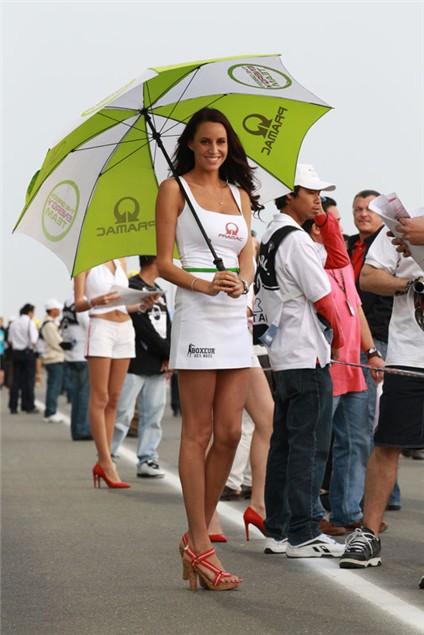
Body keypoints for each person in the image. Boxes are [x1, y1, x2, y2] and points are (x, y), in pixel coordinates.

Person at [156, 107, 258, 591]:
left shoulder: (240, 194)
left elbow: (247, 253)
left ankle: (195, 535)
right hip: (197, 312)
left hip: (233, 316)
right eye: (205, 143)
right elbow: (161, 264)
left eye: (221, 142)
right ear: (191, 145)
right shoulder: (174, 188)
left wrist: (240, 281)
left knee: (233, 432)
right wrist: (204, 284)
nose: (214, 151)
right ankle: (201, 543)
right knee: (197, 433)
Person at [261, 164, 347, 558]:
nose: (317, 199)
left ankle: (277, 529)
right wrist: (344, 336)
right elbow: (325, 294)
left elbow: (335, 258)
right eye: (310, 192)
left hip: (283, 355)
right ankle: (303, 531)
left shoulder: (271, 233)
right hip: (306, 354)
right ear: (288, 195)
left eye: (320, 193)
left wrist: (324, 218)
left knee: (284, 445)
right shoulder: (295, 239)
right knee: (310, 448)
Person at [339, 225, 424, 568]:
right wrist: (410, 285)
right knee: (387, 443)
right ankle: (369, 534)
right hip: (407, 356)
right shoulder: (403, 226)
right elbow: (369, 278)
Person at [303, 197, 385, 537]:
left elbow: (357, 308)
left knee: (355, 442)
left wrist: (371, 351)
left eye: (336, 221)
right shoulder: (307, 260)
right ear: (314, 229)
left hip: (355, 365)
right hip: (325, 364)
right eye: (329, 222)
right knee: (317, 444)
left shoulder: (340, 264)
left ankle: (347, 513)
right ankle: (308, 515)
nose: (337, 227)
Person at [74, 259, 155, 489]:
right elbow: (78, 303)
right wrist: (95, 301)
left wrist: (142, 305)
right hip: (101, 327)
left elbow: (121, 304)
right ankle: (105, 462)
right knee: (100, 397)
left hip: (125, 329)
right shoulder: (84, 261)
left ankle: (106, 458)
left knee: (115, 398)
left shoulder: (121, 261)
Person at [347, 190, 401, 510]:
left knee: (373, 423)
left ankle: (376, 499)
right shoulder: (349, 243)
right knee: (367, 424)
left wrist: (374, 347)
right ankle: (385, 495)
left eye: (369, 209)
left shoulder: (392, 243)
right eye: (358, 208)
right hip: (355, 340)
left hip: (381, 340)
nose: (363, 213)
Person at [111, 255, 171, 478]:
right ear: (156, 261)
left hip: (158, 364)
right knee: (122, 413)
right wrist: (166, 350)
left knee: (154, 414)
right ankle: (110, 457)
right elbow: (141, 325)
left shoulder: (159, 288)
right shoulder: (132, 286)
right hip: (135, 361)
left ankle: (147, 458)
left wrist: (169, 354)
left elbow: (168, 323)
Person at [60, 298, 92, 441]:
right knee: (84, 395)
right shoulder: (83, 301)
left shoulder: (67, 303)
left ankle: (76, 429)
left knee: (76, 396)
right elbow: (89, 325)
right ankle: (82, 429)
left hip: (70, 354)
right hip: (82, 354)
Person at [7, 303, 38, 414]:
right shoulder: (30, 322)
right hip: (27, 353)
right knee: (28, 381)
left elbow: (10, 341)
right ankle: (28, 405)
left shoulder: (14, 323)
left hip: (16, 353)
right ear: (29, 312)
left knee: (15, 380)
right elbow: (34, 341)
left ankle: (13, 406)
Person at [40, 299, 65, 422]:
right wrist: (68, 346)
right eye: (58, 309)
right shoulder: (49, 325)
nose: (59, 311)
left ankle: (50, 411)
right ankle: (50, 412)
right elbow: (56, 342)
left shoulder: (50, 323)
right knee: (54, 387)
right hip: (54, 358)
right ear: (53, 310)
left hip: (52, 359)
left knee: (53, 386)